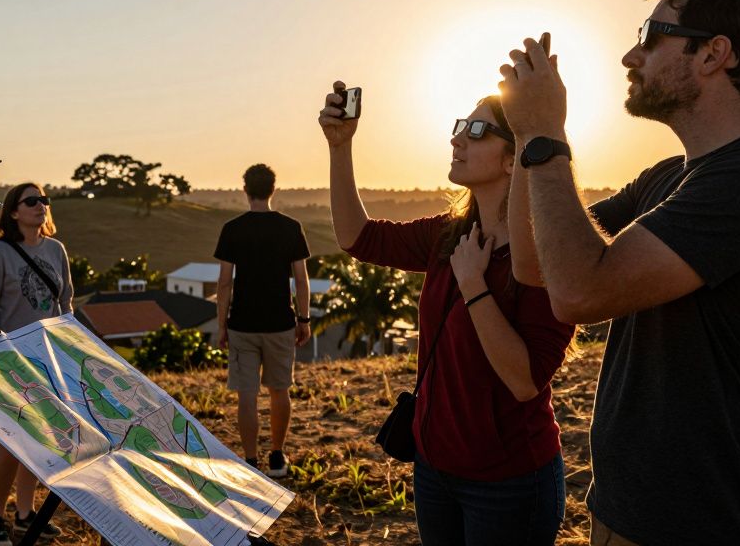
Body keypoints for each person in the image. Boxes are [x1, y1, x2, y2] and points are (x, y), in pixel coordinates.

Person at [499, 0, 740, 545]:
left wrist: (546, 135)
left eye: (651, 36)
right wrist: (527, 136)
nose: (631, 57)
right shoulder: (667, 178)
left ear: (713, 54)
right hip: (625, 515)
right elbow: (533, 263)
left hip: (712, 525)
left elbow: (580, 292)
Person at [319, 84, 574, 545]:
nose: (457, 138)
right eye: (461, 126)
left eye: (476, 131)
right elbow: (358, 237)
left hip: (509, 483)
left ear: (513, 158)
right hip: (433, 468)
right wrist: (341, 147)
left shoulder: (543, 255)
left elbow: (525, 380)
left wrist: (474, 285)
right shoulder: (448, 234)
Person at [0, 182, 74, 545]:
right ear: (13, 212)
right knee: (13, 440)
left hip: (50, 358)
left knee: (40, 438)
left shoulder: (56, 249)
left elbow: (65, 304)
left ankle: (26, 514)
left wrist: (69, 350)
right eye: (31, 201)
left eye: (44, 199)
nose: (40, 205)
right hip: (11, 358)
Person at [213, 163, 312, 477]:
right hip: (280, 323)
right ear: (273, 190)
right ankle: (277, 457)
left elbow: (224, 283)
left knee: (247, 395)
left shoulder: (232, 229)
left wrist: (222, 325)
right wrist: (304, 319)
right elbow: (301, 280)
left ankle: (251, 461)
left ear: (245, 190)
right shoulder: (291, 227)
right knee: (279, 390)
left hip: (242, 324)